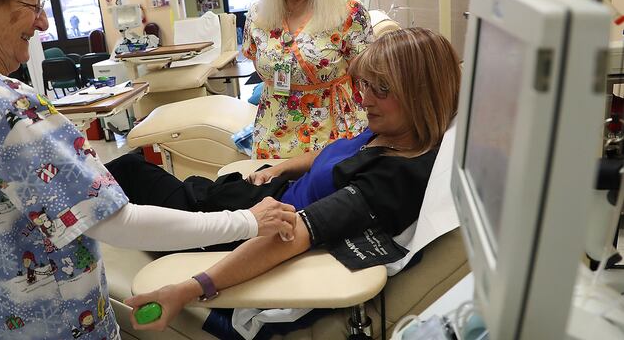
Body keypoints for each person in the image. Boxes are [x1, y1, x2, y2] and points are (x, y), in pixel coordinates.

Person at [0, 0, 297, 340]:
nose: (42, 23)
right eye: (33, 5)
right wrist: (245, 221)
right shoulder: (2, 106)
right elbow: (116, 222)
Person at [123, 27, 462, 333]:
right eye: (366, 85)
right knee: (143, 174)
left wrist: (189, 288)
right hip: (259, 197)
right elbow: (334, 154)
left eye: (382, 88)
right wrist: (280, 168)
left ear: (422, 93)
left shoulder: (394, 179)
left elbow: (293, 234)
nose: (365, 99)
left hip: (234, 233)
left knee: (127, 171)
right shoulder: (393, 132)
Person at [243, 0, 373, 160]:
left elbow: (367, 77)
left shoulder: (348, 12)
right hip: (271, 140)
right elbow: (258, 65)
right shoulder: (257, 15)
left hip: (333, 141)